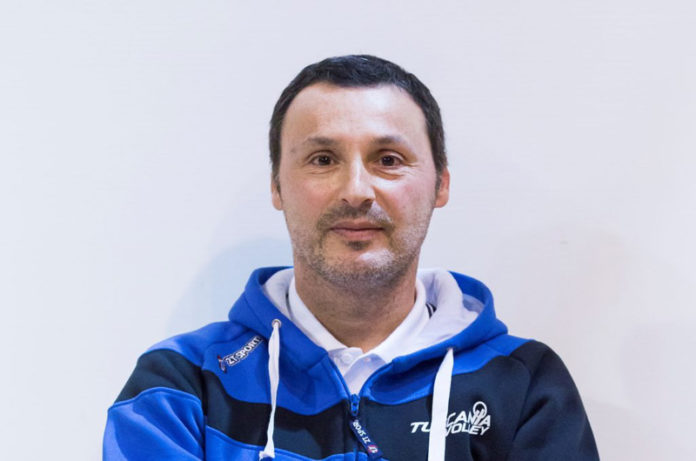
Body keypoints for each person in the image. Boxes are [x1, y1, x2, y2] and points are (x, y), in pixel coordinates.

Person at [103, 55, 599, 460]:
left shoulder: (523, 383)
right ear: (277, 186)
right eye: (323, 160)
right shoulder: (183, 385)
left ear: (440, 184)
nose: (356, 190)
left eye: (388, 160)